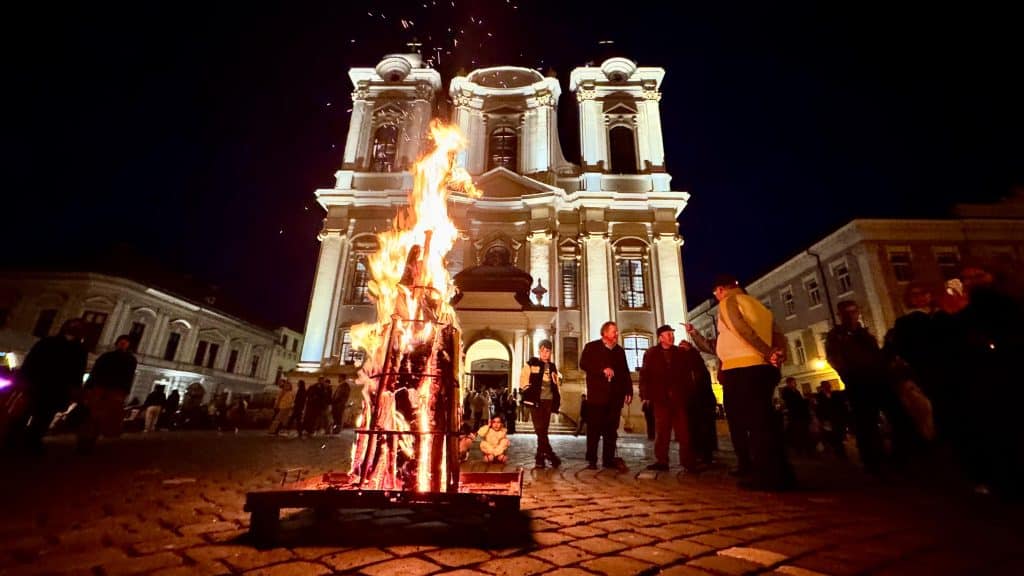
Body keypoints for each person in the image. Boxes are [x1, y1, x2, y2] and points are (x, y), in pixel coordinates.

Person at [712, 274, 793, 491]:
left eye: (715, 292)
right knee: (766, 422)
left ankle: (766, 475)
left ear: (721, 290)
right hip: (762, 369)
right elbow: (777, 332)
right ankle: (781, 472)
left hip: (741, 369)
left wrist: (767, 352)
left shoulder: (729, 302)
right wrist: (777, 354)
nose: (716, 296)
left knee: (754, 426)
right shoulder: (757, 305)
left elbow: (740, 328)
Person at [826, 300, 907, 475]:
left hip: (878, 380)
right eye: (846, 313)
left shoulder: (864, 334)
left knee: (897, 416)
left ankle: (898, 455)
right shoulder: (836, 336)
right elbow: (835, 359)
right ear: (840, 315)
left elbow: (877, 356)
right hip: (858, 384)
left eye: (854, 312)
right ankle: (873, 461)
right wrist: (849, 376)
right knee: (866, 423)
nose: (851, 316)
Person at [13, 319, 87, 452]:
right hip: (39, 384)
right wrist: (24, 379)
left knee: (44, 416)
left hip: (56, 388)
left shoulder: (79, 349)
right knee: (27, 412)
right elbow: (31, 361)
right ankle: (16, 439)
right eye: (73, 326)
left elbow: (78, 371)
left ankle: (31, 441)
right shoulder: (48, 342)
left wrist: (74, 388)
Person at [640, 325, 700, 471]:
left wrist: (689, 392)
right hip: (661, 398)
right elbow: (645, 375)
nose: (671, 337)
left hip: (678, 398)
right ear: (660, 337)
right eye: (668, 334)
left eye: (672, 334)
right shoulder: (651, 353)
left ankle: (688, 461)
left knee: (683, 431)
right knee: (662, 431)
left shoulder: (680, 352)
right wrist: (645, 394)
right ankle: (662, 461)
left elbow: (687, 374)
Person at [579, 321, 633, 471]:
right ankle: (592, 459)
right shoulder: (591, 347)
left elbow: (625, 372)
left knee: (611, 431)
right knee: (594, 430)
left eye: (617, 331)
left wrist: (628, 390)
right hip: (597, 397)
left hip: (615, 397)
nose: (617, 334)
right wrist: (602, 369)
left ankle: (608, 459)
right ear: (605, 333)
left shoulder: (619, 351)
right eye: (614, 331)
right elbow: (583, 364)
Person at [77, 334, 138, 450]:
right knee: (92, 414)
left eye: (125, 343)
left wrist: (125, 390)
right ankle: (86, 438)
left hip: (116, 390)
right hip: (100, 387)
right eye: (121, 342)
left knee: (104, 415)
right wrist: (88, 387)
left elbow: (129, 377)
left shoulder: (130, 360)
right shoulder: (106, 356)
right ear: (117, 344)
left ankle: (93, 437)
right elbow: (95, 371)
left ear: (128, 345)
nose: (123, 344)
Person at [520, 339, 562, 468]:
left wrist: (557, 398)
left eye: (547, 351)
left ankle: (540, 457)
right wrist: (530, 395)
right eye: (543, 351)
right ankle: (550, 455)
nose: (545, 354)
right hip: (536, 402)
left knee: (543, 430)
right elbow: (523, 381)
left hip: (548, 401)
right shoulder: (531, 364)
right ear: (539, 351)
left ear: (551, 352)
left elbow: (556, 384)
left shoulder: (553, 367)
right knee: (539, 429)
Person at [680, 339, 717, 464]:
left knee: (702, 428)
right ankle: (702, 453)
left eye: (684, 347)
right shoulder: (694, 363)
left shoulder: (694, 363)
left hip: (699, 401)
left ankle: (704, 453)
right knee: (697, 428)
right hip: (695, 401)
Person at [780, 377, 813, 456]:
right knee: (797, 433)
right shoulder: (786, 392)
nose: (795, 384)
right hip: (795, 415)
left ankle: (806, 449)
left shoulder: (796, 391)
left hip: (801, 415)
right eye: (793, 382)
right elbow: (793, 402)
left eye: (795, 382)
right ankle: (799, 449)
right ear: (789, 383)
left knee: (804, 432)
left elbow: (800, 401)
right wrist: (804, 401)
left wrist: (806, 401)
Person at [815, 381, 848, 458]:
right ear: (823, 387)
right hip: (828, 419)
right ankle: (838, 451)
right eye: (826, 386)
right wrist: (822, 420)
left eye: (828, 385)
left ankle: (841, 451)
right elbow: (819, 409)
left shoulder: (835, 394)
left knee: (839, 435)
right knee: (833, 436)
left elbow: (841, 405)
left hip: (837, 418)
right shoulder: (819, 397)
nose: (828, 387)